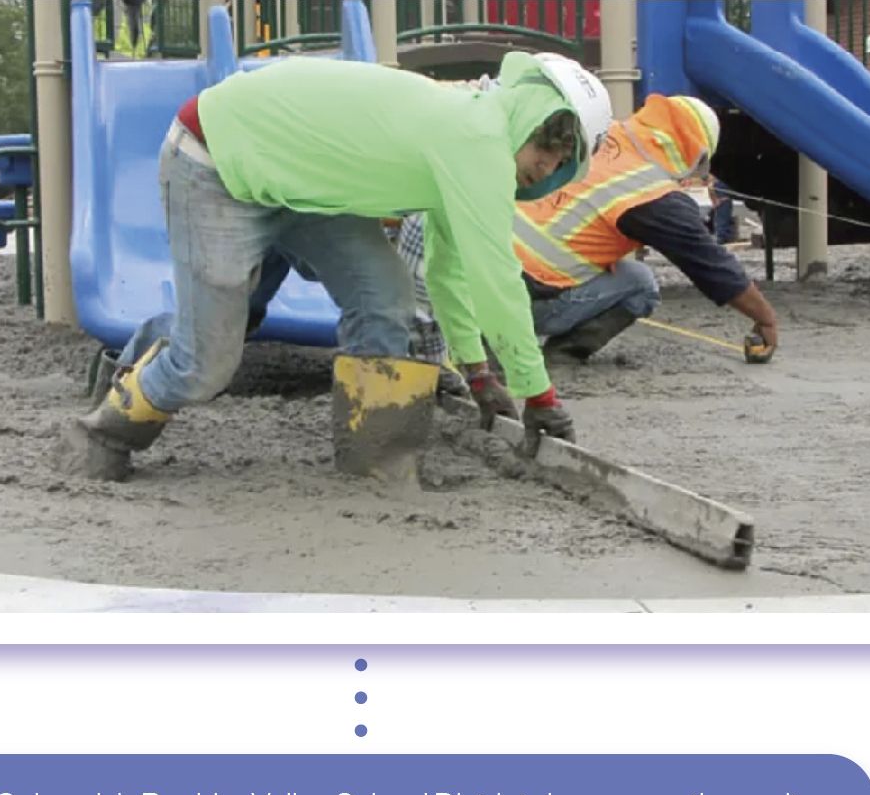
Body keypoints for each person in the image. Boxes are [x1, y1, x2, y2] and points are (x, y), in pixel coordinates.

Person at [69, 51, 613, 479]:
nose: (549, 163)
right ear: (530, 117)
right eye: (549, 143)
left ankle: (374, 461)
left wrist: (477, 373)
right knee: (205, 365)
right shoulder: (477, 138)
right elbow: (497, 284)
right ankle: (102, 435)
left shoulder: (475, 141)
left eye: (565, 159)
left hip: (307, 193)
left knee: (387, 298)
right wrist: (538, 396)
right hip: (218, 160)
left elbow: (449, 272)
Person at [511, 92, 779, 360]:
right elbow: (711, 265)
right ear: (695, 156)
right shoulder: (652, 192)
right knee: (640, 284)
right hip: (522, 300)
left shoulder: (600, 134)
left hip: (482, 271)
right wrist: (765, 318)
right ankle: (562, 354)